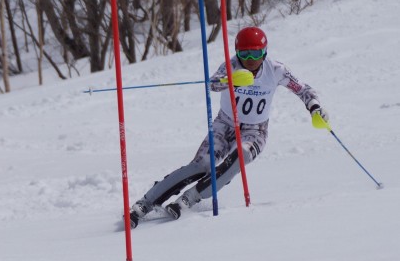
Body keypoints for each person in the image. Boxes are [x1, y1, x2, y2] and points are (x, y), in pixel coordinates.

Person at [129, 26, 329, 228]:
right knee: (202, 165)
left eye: (256, 53)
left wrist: (315, 108)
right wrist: (231, 80)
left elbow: (304, 90)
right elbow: (213, 83)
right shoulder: (232, 65)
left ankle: (190, 198)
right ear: (237, 52)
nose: (250, 59)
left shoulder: (276, 69)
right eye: (244, 53)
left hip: (255, 131)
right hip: (224, 125)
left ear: (265, 52)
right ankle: (147, 202)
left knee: (238, 159)